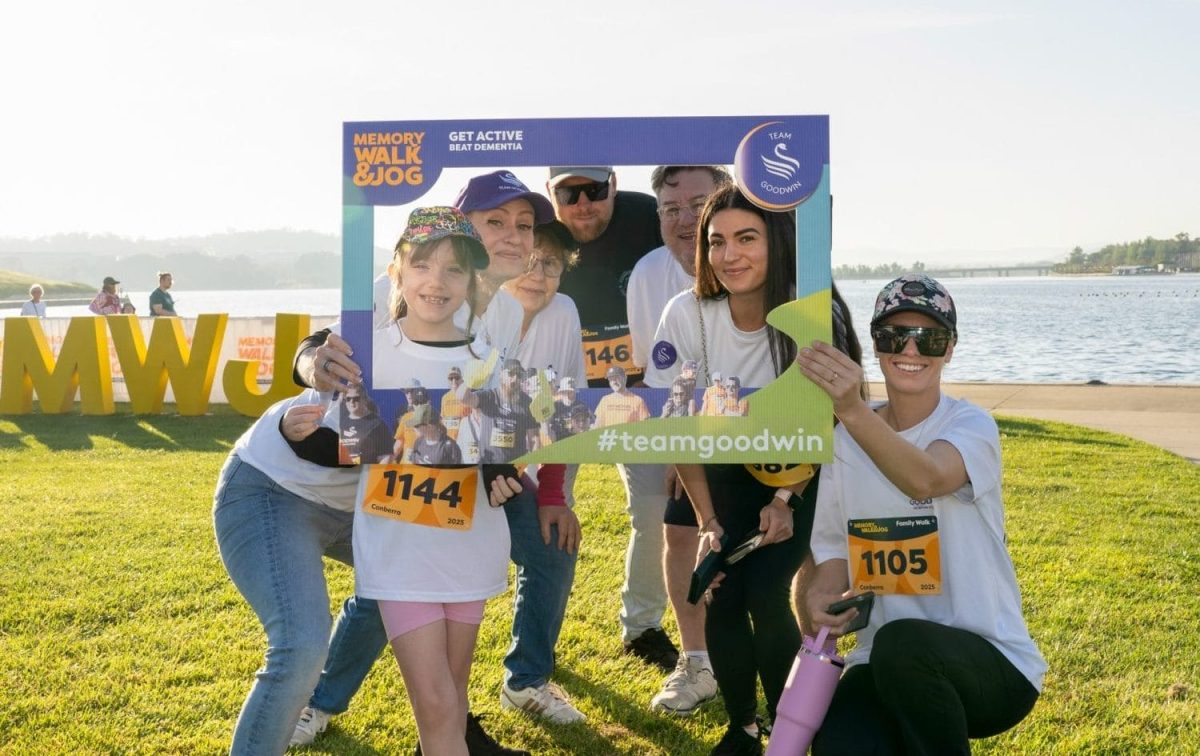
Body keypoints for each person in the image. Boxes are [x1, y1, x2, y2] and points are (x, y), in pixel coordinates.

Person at [296, 175, 582, 737]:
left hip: (461, 492)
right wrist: (307, 363)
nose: (513, 238)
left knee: (534, 558)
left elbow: (524, 410)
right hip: (375, 485)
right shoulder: (408, 284)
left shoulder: (502, 310)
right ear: (459, 227)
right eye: (494, 223)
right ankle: (323, 702)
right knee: (387, 587)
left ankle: (508, 692)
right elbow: (327, 348)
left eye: (523, 226)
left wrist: (530, 480)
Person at [645, 183, 862, 756]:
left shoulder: (811, 311)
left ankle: (792, 731)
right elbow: (677, 427)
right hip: (723, 473)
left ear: (778, 242)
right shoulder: (686, 312)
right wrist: (708, 519)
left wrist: (786, 500)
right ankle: (742, 727)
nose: (729, 254)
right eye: (717, 242)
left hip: (801, 474)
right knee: (717, 587)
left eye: (747, 238)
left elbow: (825, 424)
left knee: (767, 593)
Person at [799, 274, 1046, 755]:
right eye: (893, 337)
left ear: (949, 349)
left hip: (991, 662)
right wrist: (821, 600)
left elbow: (928, 477)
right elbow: (832, 554)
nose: (910, 350)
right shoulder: (843, 442)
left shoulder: (970, 424)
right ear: (875, 344)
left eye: (929, 338)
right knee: (839, 741)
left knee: (904, 646)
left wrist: (849, 410)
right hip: (879, 657)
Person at [548, 165, 679, 674]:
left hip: (639, 394)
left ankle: (642, 627)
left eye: (594, 190)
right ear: (551, 195)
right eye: (568, 192)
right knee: (549, 514)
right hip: (564, 397)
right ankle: (538, 635)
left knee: (654, 511)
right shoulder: (540, 230)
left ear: (615, 185)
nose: (583, 203)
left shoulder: (654, 220)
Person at [213, 388, 387, 755]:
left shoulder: (469, 355)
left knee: (403, 588)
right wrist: (309, 362)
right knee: (301, 646)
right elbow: (316, 349)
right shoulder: (370, 336)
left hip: (363, 504)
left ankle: (316, 705)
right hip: (273, 487)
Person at [627, 166, 731, 714]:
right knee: (678, 532)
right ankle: (698, 662)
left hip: (762, 437)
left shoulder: (766, 262)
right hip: (689, 431)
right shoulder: (649, 275)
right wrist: (675, 450)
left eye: (700, 203)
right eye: (671, 209)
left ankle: (767, 655)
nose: (686, 219)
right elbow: (656, 373)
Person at [337, 385, 393, 464]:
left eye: (356, 398)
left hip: (366, 474)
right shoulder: (340, 423)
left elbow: (386, 456)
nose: (351, 402)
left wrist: (376, 475)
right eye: (348, 399)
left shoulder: (377, 424)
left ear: (365, 400)